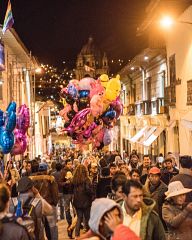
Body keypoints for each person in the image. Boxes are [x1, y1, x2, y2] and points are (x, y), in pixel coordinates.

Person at [29, 162, 59, 240]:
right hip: (50, 204)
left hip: (38, 206)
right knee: (52, 227)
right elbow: (55, 192)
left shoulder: (32, 179)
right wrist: (55, 203)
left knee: (40, 228)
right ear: (46, 169)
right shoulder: (50, 178)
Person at [72, 164, 93, 239]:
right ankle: (88, 233)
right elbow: (88, 190)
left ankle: (76, 235)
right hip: (86, 201)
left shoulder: (74, 180)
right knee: (87, 218)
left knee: (79, 218)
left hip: (77, 201)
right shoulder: (87, 180)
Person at [59, 159, 74, 228]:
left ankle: (76, 223)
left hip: (73, 192)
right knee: (67, 209)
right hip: (66, 193)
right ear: (66, 164)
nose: (70, 165)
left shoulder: (73, 170)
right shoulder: (63, 172)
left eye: (71, 164)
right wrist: (65, 183)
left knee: (75, 208)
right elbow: (60, 183)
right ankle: (69, 222)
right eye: (68, 164)